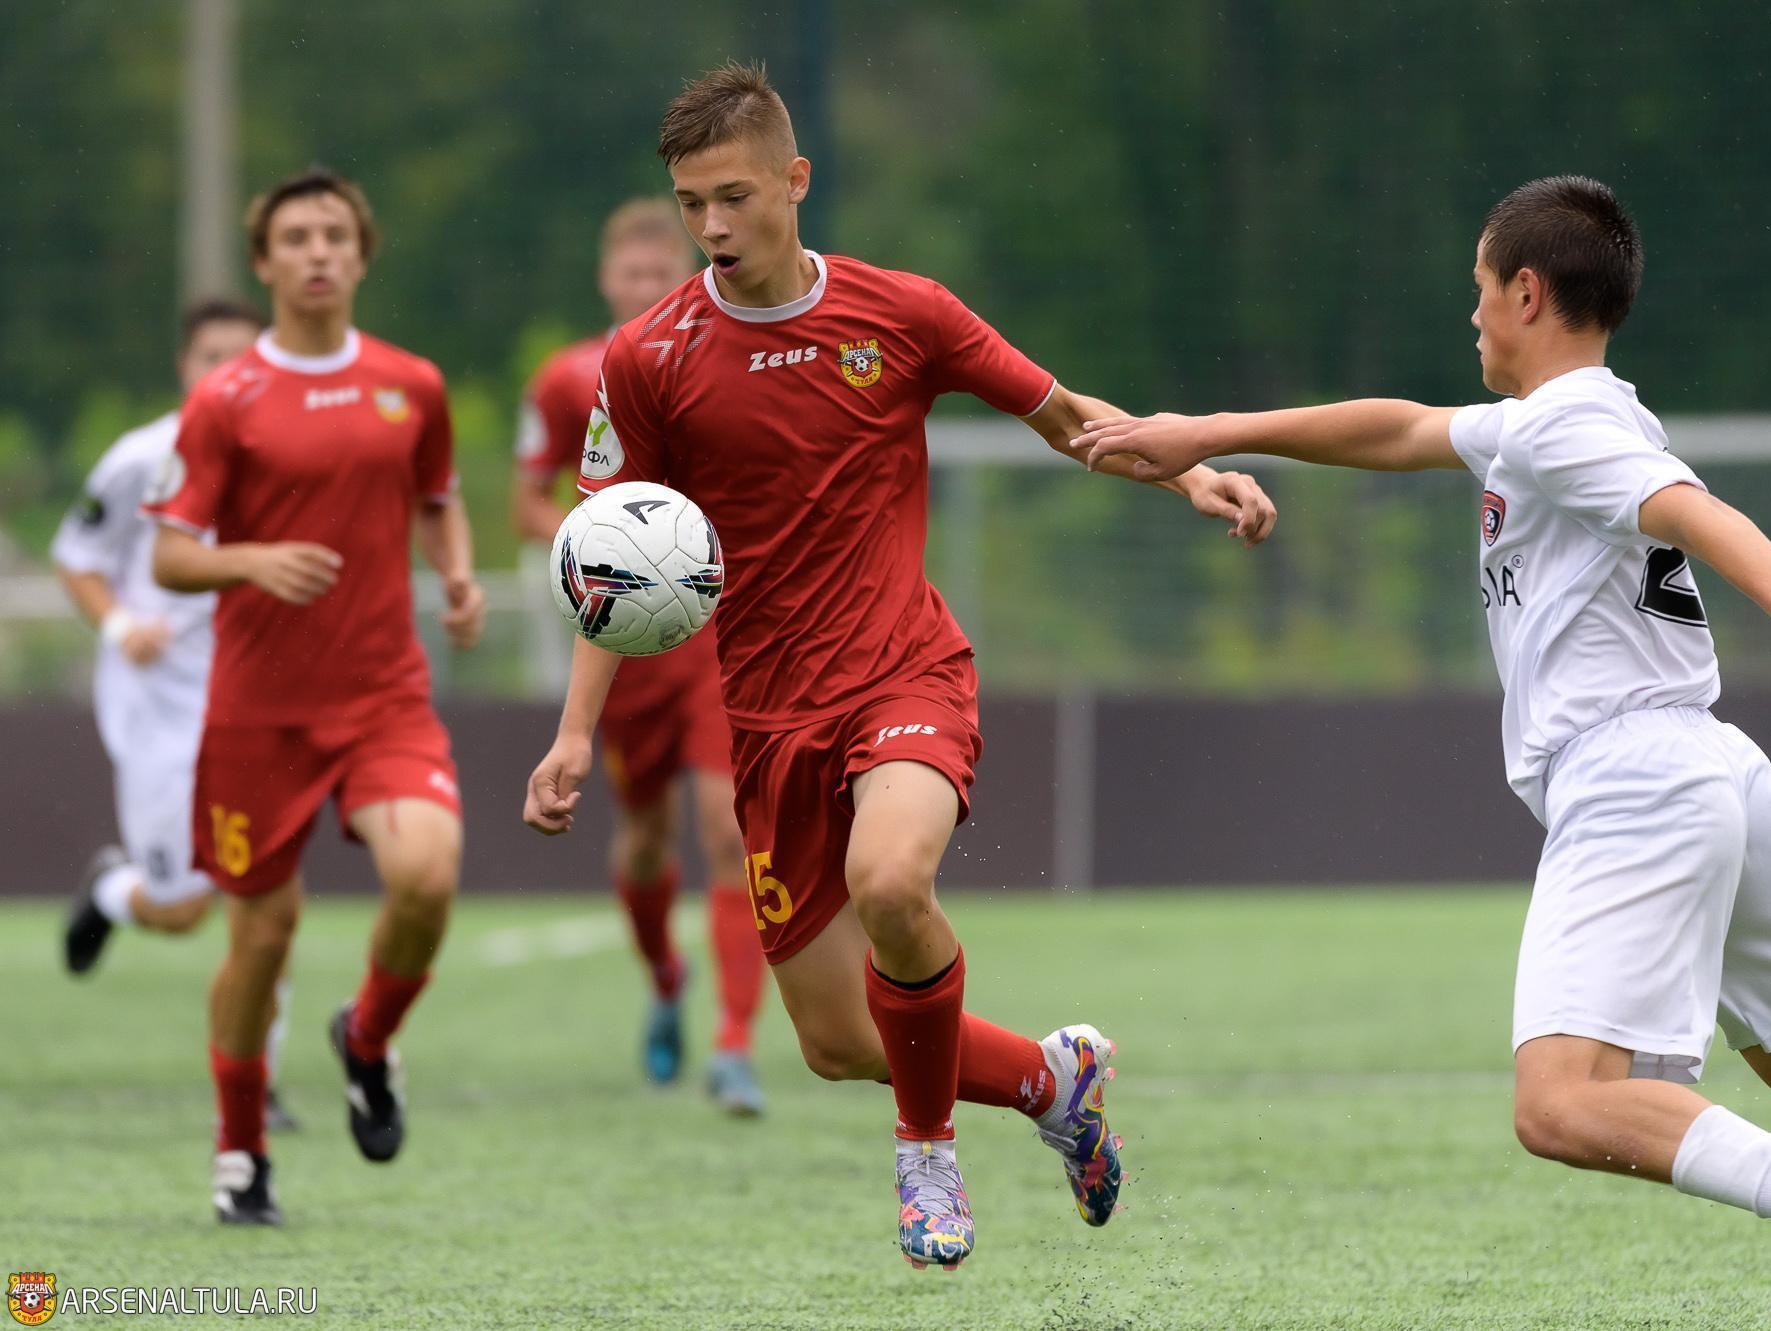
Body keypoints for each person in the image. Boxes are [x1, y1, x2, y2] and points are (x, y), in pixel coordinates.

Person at [1074, 175, 1771, 1331]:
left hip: (1635, 777)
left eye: (1476, 288)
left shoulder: (1569, 428)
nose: (1468, 313)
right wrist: (1205, 433)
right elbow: (1399, 428)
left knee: (1558, 1103)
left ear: (1524, 291)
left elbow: (1696, 512)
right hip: (1712, 769)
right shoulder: (1550, 421)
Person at [523, 61, 1276, 1269]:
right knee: (834, 1039)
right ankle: (1052, 1081)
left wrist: (1188, 471)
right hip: (767, 716)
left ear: (794, 180)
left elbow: (1064, 415)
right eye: (689, 203)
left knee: (889, 880)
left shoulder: (902, 312)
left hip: (902, 675)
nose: (711, 225)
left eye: (732, 196)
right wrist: (573, 733)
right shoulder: (648, 357)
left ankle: (925, 1152)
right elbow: (608, 562)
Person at [147, 167, 486, 1226]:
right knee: (262, 938)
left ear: (361, 253)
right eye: (295, 237)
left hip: (383, 697)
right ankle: (241, 1152)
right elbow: (168, 555)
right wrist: (251, 559)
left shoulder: (410, 383)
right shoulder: (225, 399)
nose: (317, 252)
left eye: (335, 234)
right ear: (264, 262)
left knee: (427, 875)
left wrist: (458, 574)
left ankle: (367, 1038)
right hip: (258, 714)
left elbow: (439, 496)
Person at [514, 198, 769, 1114]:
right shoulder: (566, 378)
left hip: (714, 634)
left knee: (729, 830)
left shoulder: (730, 359)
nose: (645, 286)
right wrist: (604, 549)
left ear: (686, 275)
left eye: (660, 273)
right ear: (606, 279)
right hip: (621, 642)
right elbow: (527, 501)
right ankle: (666, 976)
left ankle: (734, 1042)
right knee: (647, 832)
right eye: (631, 274)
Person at [55, 297, 300, 1133]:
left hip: (255, 702)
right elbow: (77, 557)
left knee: (267, 894)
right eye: (211, 357)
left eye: (243, 357)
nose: (227, 373)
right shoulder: (141, 457)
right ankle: (113, 890)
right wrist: (122, 626)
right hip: (161, 712)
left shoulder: (286, 455)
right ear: (184, 368)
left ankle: (258, 1077)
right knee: (183, 908)